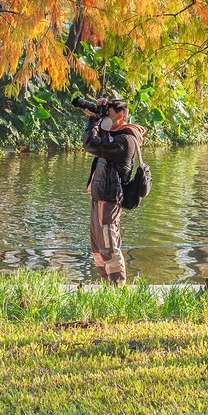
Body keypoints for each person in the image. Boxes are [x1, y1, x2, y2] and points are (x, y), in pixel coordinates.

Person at [81, 96, 145, 286]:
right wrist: (97, 114)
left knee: (109, 245)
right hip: (99, 196)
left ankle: (118, 288)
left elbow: (90, 144)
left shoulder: (125, 140)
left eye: (108, 114)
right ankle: (107, 287)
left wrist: (93, 121)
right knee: (98, 247)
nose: (105, 117)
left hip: (110, 198)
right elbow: (99, 140)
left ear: (120, 116)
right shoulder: (113, 136)